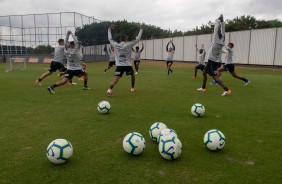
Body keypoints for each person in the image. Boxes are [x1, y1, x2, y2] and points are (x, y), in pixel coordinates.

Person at [197, 14, 231, 96]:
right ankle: (203, 87)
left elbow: (216, 29)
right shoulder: (222, 39)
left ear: (216, 36)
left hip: (212, 61)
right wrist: (222, 21)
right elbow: (223, 31)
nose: (217, 32)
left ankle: (226, 90)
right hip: (214, 61)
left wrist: (217, 20)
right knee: (204, 72)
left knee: (214, 77)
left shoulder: (216, 40)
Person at [106, 23, 143, 96]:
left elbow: (110, 38)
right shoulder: (129, 44)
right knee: (132, 75)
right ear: (126, 39)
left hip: (119, 65)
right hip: (128, 65)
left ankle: (110, 89)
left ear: (120, 40)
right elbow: (138, 39)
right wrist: (141, 29)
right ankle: (132, 87)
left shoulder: (116, 45)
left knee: (116, 78)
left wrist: (109, 29)